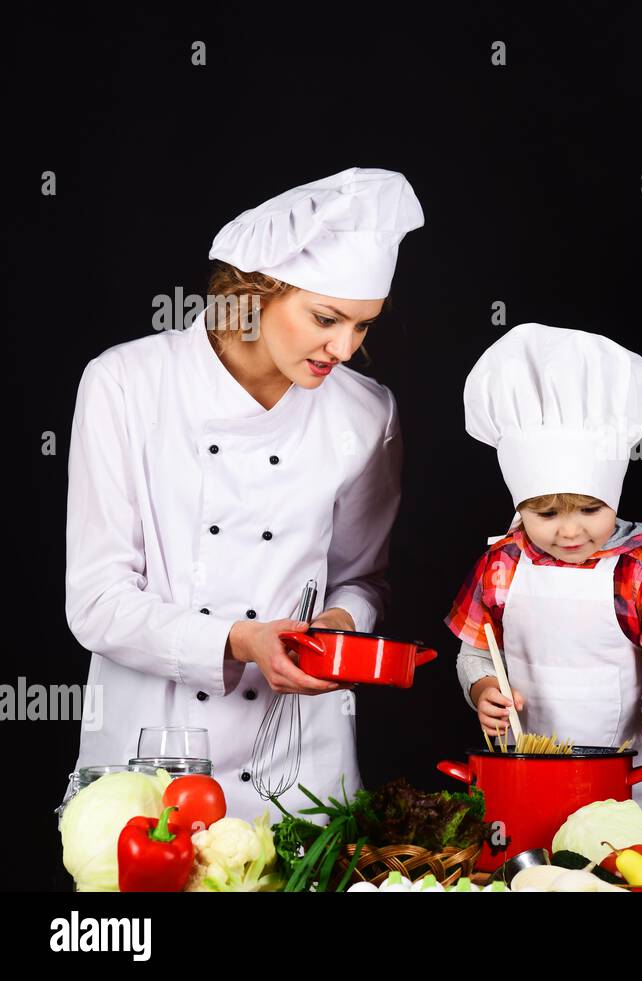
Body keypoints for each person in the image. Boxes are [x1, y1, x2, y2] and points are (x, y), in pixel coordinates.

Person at [64, 167, 423, 821]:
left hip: (300, 770)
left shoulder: (368, 415)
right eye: (326, 317)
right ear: (255, 292)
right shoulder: (125, 383)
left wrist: (338, 631)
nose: (343, 347)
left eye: (363, 326)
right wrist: (242, 640)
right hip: (151, 760)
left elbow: (362, 581)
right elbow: (95, 602)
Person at [445, 323, 642, 858]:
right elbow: (473, 654)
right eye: (546, 514)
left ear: (614, 491)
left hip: (628, 787)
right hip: (527, 785)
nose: (570, 531)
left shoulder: (638, 572)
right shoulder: (501, 565)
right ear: (521, 507)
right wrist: (481, 690)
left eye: (591, 509)